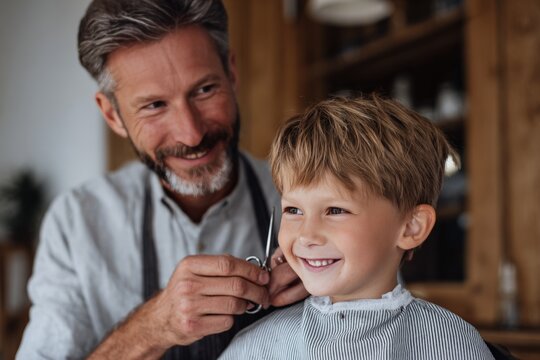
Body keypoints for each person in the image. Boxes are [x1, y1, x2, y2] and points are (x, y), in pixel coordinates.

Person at [16, 1, 307, 359]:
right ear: (113, 114)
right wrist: (153, 328)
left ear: (231, 74)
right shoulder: (76, 225)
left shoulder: (309, 202)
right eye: (154, 105)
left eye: (204, 90)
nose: (191, 133)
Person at [219, 95, 496, 359]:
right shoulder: (256, 348)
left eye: (335, 210)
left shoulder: (452, 345)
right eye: (293, 210)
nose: (306, 234)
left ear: (411, 227)